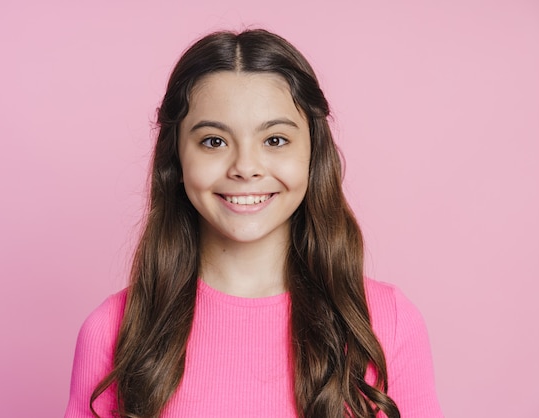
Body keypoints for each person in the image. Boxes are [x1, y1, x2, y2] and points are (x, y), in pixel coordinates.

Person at [64, 29, 444, 418]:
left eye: (275, 140)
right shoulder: (111, 331)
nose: (245, 168)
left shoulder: (386, 322)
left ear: (313, 154)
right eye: (214, 141)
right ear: (176, 158)